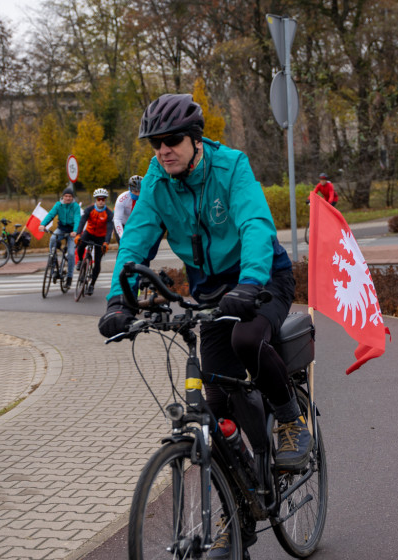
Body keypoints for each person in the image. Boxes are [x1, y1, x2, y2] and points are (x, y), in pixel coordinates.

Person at [97, 94, 312, 516]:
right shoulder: (158, 181)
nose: (163, 149)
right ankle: (241, 514)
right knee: (214, 401)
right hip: (212, 289)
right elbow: (136, 239)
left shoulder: (231, 166)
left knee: (248, 338)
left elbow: (254, 223)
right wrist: (117, 300)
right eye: (155, 143)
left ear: (195, 139)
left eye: (172, 139)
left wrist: (250, 282)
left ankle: (289, 419)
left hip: (263, 275)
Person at [40, 187, 82, 288]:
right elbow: (51, 215)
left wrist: (75, 231)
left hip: (72, 231)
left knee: (71, 254)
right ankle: (53, 265)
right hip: (61, 229)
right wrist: (43, 224)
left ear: (72, 198)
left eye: (70, 196)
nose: (67, 198)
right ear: (62, 197)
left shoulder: (75, 206)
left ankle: (69, 277)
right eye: (66, 196)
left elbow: (77, 218)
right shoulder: (58, 205)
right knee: (53, 239)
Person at [75, 188, 114, 296]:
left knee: (97, 261)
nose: (101, 201)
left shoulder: (108, 213)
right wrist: (78, 234)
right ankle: (80, 261)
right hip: (89, 233)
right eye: (98, 199)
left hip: (100, 237)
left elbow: (110, 228)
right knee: (81, 244)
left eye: (103, 199)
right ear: (96, 199)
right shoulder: (90, 209)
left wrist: (106, 242)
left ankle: (92, 284)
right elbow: (82, 221)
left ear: (105, 200)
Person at [111, 175, 141, 243]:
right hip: (122, 224)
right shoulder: (122, 199)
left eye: (139, 191)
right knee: (123, 248)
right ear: (130, 188)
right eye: (135, 191)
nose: (137, 194)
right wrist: (122, 236)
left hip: (135, 224)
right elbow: (117, 219)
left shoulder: (145, 197)